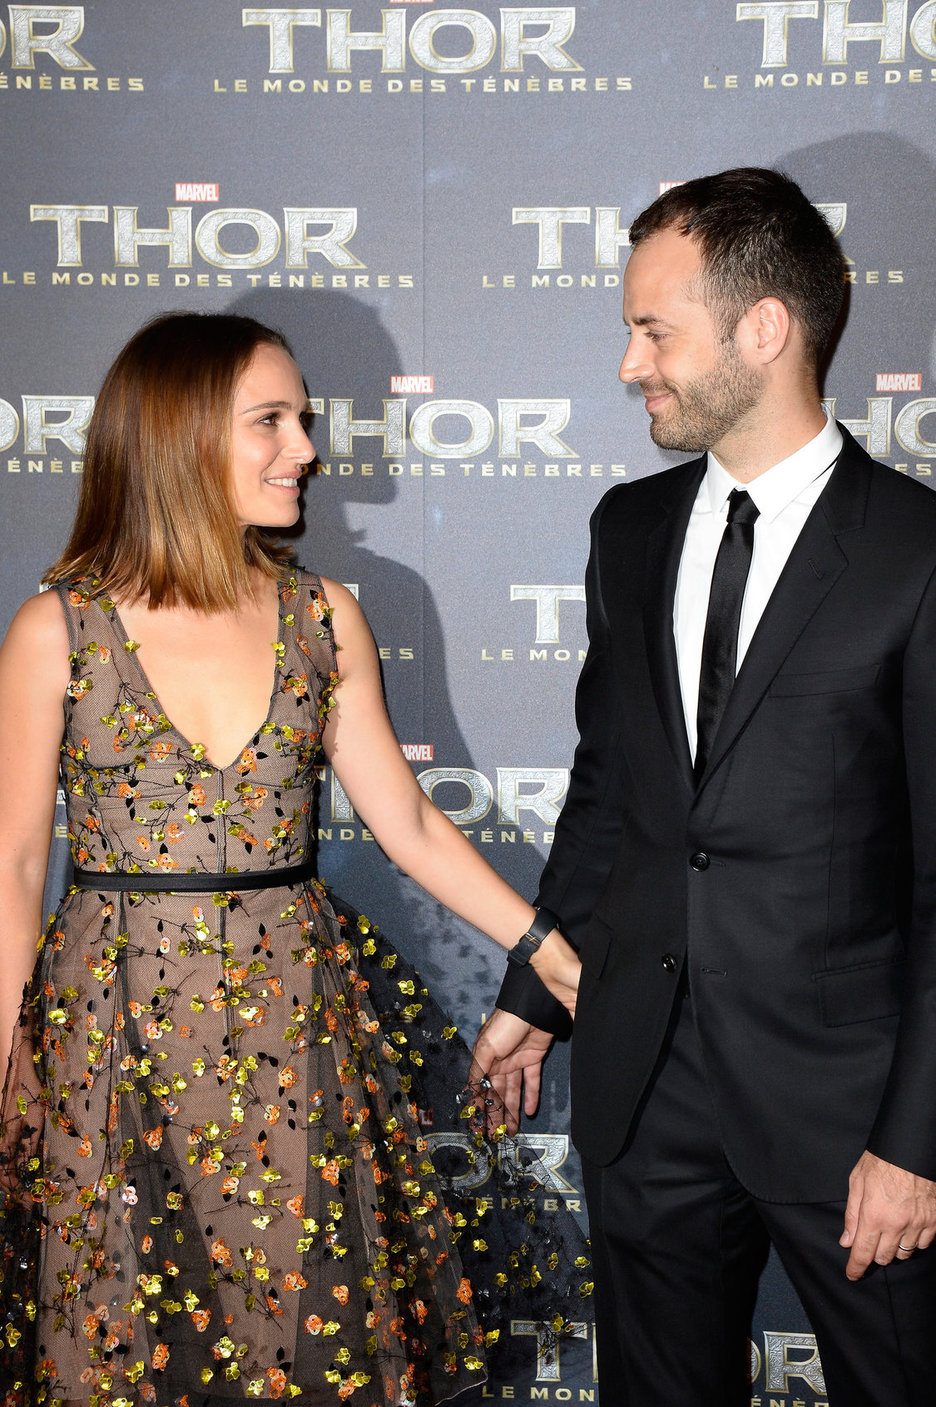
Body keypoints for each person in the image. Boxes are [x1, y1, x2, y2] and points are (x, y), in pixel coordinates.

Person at [0, 311, 584, 1407]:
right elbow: (11, 869)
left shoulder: (323, 615)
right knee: (112, 1345)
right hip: (108, 1049)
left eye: (303, 421)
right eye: (271, 421)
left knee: (303, 1348)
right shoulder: (58, 632)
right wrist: (7, 1090)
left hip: (291, 1035)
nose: (308, 450)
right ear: (176, 437)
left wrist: (546, 950)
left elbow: (407, 824)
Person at [473, 167, 936, 1406]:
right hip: (645, 1087)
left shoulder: (917, 553)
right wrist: (537, 988)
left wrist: (916, 1143)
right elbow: (609, 795)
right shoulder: (627, 530)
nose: (631, 366)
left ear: (764, 329)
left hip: (850, 1116)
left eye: (653, 330)